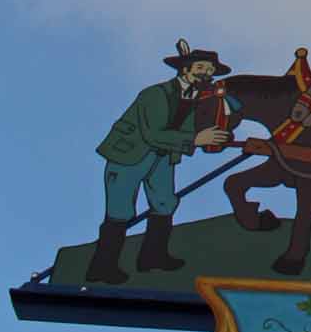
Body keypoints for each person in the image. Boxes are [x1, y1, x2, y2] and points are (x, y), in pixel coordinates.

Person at [89, 39, 237, 284]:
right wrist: (196, 139)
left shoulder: (195, 97)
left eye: (210, 70)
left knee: (165, 203)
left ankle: (153, 257)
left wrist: (212, 138)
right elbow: (153, 133)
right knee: (120, 211)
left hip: (163, 156)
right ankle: (102, 267)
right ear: (185, 69)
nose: (206, 74)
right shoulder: (155, 94)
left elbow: (191, 128)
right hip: (129, 155)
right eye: (201, 67)